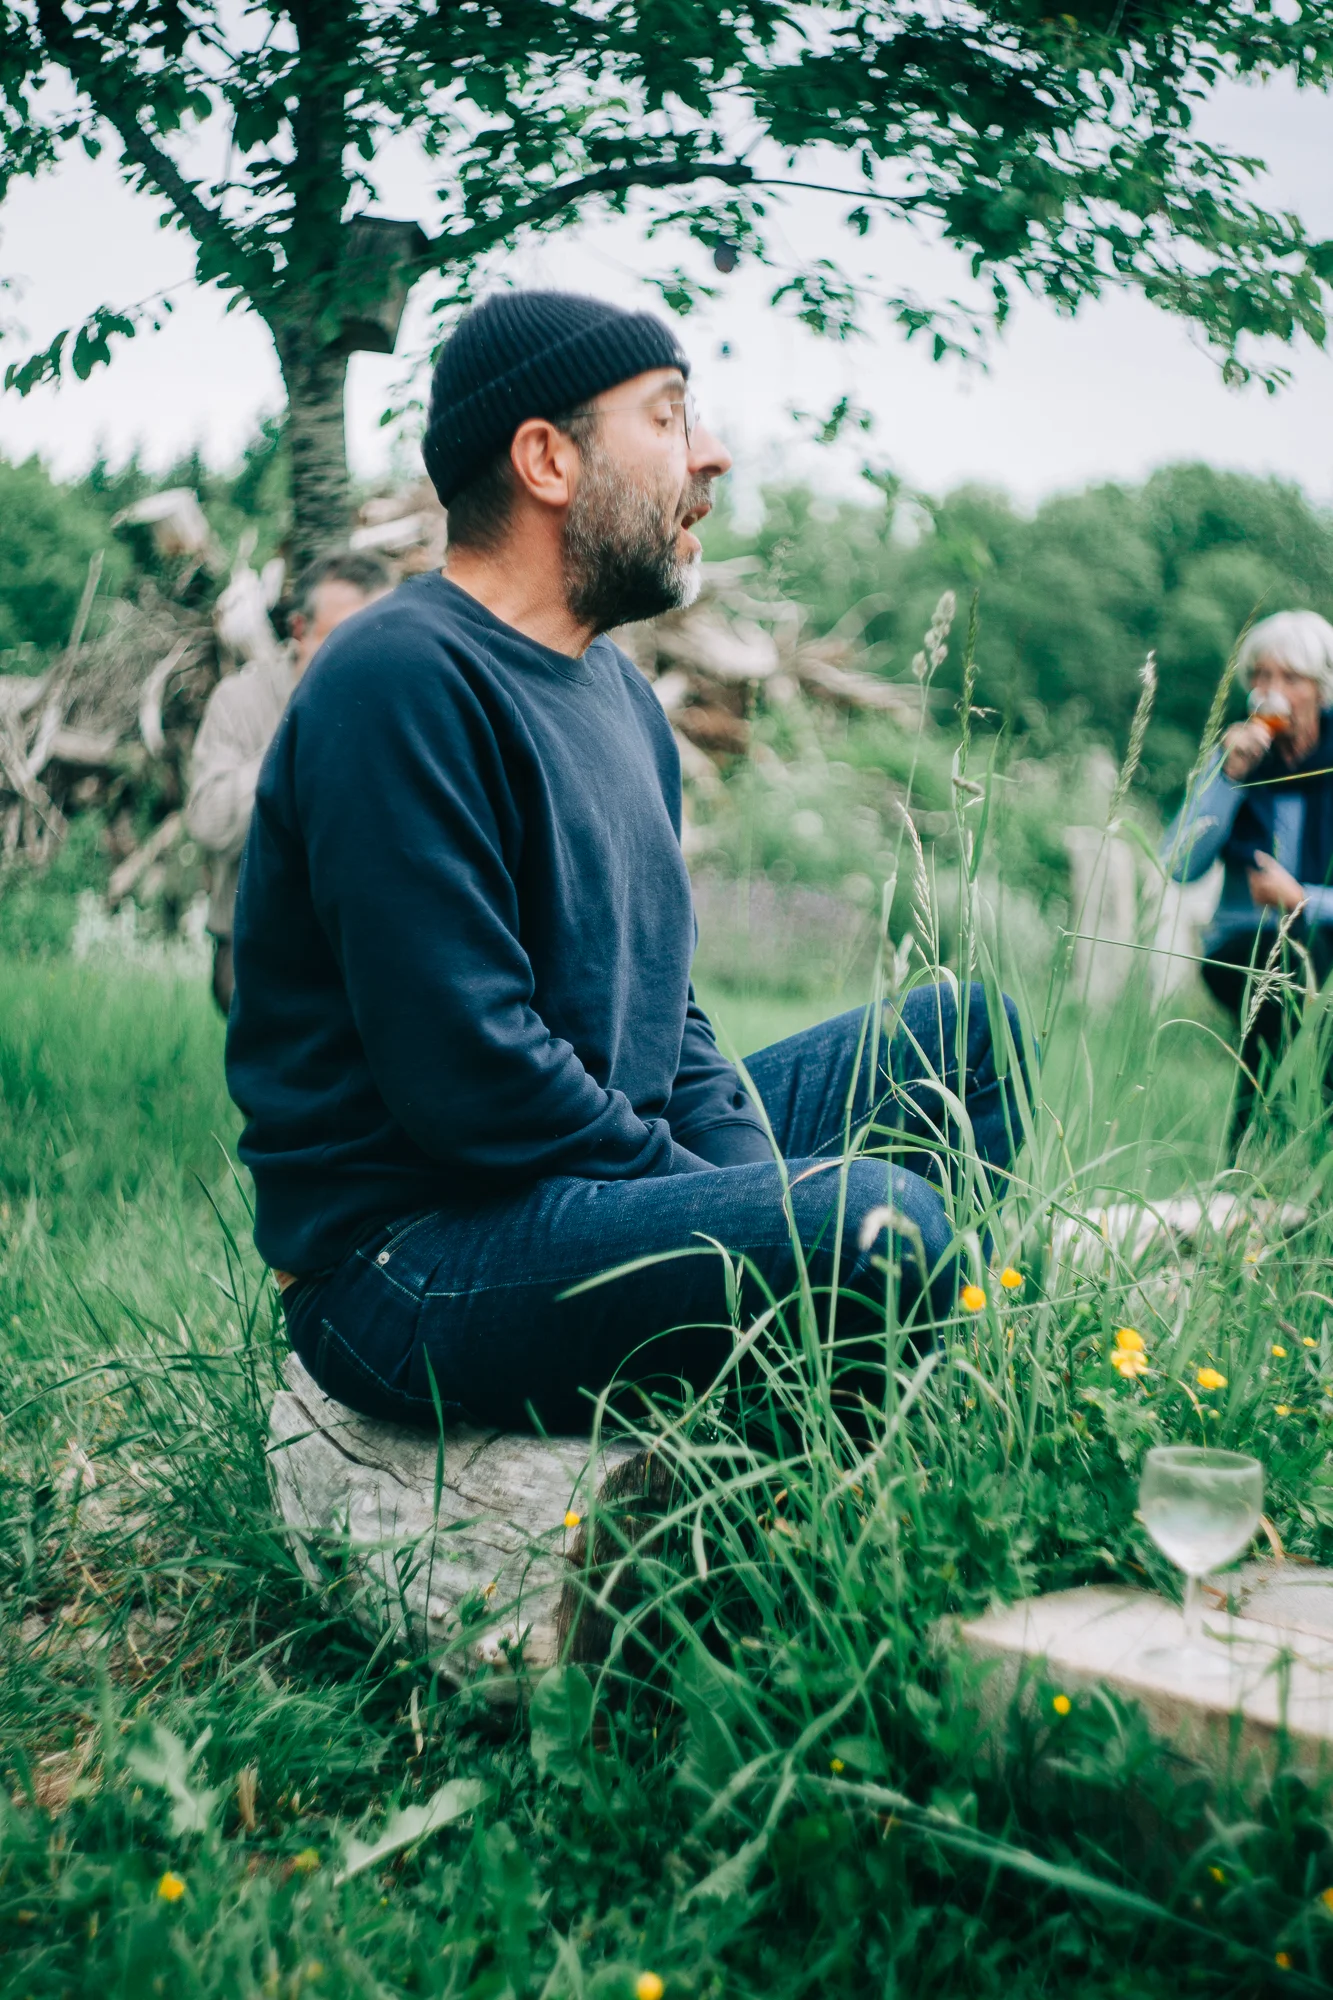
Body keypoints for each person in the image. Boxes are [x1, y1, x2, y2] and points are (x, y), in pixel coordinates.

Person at [226, 289, 1026, 1437]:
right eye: (666, 417)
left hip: (586, 1178)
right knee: (874, 1227)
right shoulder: (393, 680)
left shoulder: (617, 698)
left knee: (966, 1040)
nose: (711, 456)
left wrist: (750, 1183)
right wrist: (739, 1199)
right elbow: (476, 1083)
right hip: (414, 1256)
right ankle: (893, 1388)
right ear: (547, 458)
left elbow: (672, 1018)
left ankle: (890, 1390)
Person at [186, 550, 392, 1012]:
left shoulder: (395, 698)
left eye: (381, 633)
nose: (368, 651)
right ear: (299, 631)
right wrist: (306, 735)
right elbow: (208, 822)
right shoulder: (240, 700)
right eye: (346, 635)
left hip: (363, 937)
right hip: (255, 940)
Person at [1164, 609, 1333, 1143]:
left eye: (1288, 678)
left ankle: (1251, 1159)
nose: (1268, 692)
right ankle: (1272, 1161)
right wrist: (1225, 773)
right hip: (1241, 941)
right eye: (1259, 676)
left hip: (1321, 940)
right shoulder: (1238, 762)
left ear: (1321, 688)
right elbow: (1179, 865)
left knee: (1293, 995)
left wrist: (1302, 898)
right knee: (1281, 970)